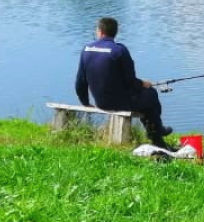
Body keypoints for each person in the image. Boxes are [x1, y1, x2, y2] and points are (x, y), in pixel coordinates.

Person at [73, 17, 174, 148]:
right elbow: (130, 81)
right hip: (120, 103)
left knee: (146, 101)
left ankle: (158, 140)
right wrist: (144, 84)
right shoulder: (119, 50)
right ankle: (157, 133)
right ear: (115, 32)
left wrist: (85, 103)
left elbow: (80, 82)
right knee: (151, 95)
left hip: (101, 102)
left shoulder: (86, 49)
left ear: (100, 31)